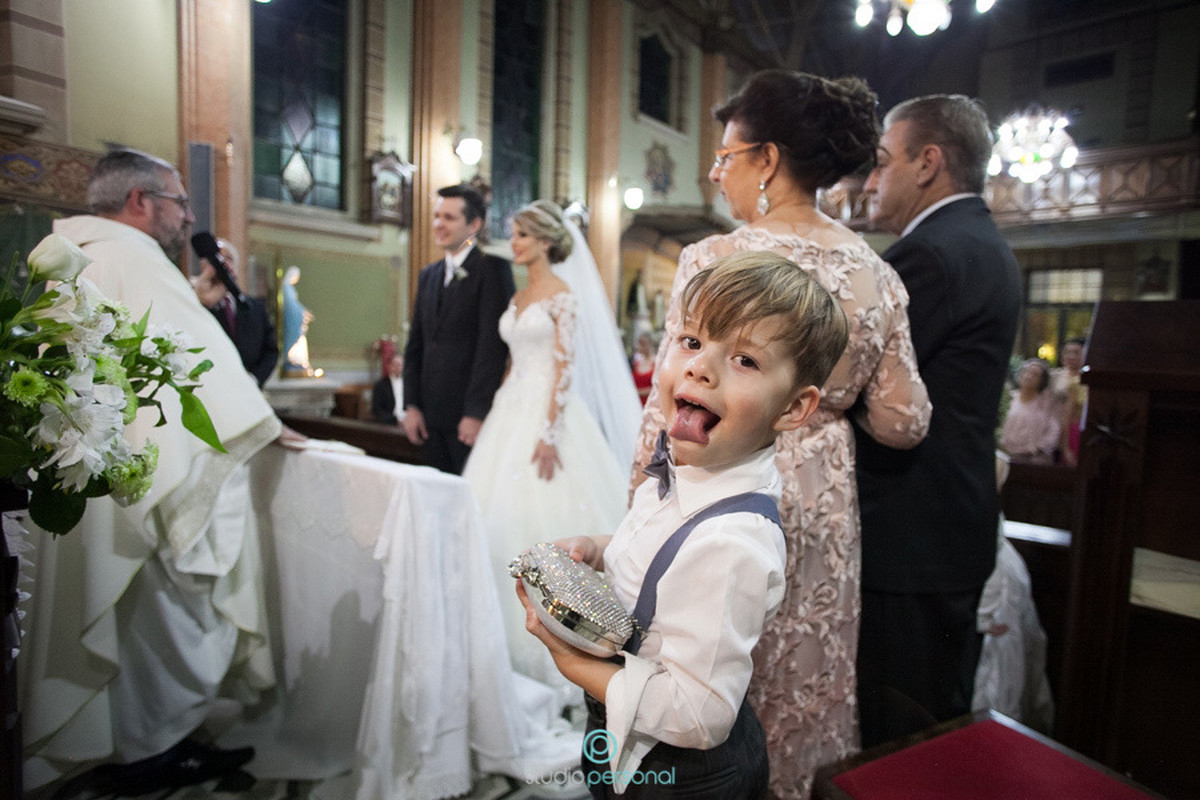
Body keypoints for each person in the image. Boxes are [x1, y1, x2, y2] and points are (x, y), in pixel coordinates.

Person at [630, 69, 931, 799]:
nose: (717, 173)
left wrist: (638, 503)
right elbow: (905, 421)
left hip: (717, 477)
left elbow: (667, 406)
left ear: (766, 159)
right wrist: (831, 402)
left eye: (726, 156)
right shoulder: (876, 273)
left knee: (706, 668)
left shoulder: (713, 260)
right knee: (800, 674)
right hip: (820, 495)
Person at [519, 251, 850, 799]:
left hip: (684, 776)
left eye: (745, 359)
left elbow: (700, 714)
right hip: (624, 741)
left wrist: (570, 660)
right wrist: (598, 549)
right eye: (692, 341)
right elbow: (655, 554)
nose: (699, 366)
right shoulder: (682, 471)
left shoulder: (733, 543)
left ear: (793, 408)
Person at [26, 148, 298, 794]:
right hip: (137, 483)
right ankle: (151, 753)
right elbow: (204, 371)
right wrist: (262, 420)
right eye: (181, 202)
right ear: (140, 203)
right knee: (162, 616)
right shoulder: (134, 260)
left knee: (123, 616)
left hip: (89, 478)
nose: (190, 217)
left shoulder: (75, 254)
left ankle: (130, 747)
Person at [853, 94, 1022, 747]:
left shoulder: (928, 256)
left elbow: (863, 386)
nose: (871, 180)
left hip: (909, 536)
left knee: (898, 731)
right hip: (949, 528)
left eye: (881, 162)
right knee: (933, 717)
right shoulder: (982, 243)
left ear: (928, 163)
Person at [463, 200, 628, 690]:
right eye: (513, 235)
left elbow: (564, 367)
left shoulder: (563, 296)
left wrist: (550, 433)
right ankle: (487, 632)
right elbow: (515, 359)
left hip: (548, 416)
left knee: (539, 512)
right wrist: (500, 400)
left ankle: (554, 637)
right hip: (510, 407)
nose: (512, 243)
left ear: (545, 242)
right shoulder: (518, 297)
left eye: (521, 236)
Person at [402, 184, 515, 474]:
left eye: (449, 217)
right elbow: (416, 345)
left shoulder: (492, 270)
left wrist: (475, 412)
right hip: (428, 415)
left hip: (467, 417)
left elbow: (491, 348)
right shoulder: (429, 274)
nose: (439, 224)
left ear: (474, 225)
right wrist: (411, 405)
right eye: (437, 216)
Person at [201, 238, 279, 387]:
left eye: (228, 258)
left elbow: (270, 351)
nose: (222, 263)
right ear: (205, 266)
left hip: (247, 388)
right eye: (216, 258)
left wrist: (255, 378)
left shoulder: (255, 307)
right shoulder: (196, 304)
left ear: (236, 268)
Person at [998, 358, 1060, 464]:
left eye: (1035, 375)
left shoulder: (1046, 404)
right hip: (1004, 456)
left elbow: (1053, 431)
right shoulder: (1008, 398)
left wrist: (1035, 449)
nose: (1029, 376)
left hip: (1033, 460)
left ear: (1042, 381)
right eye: (1026, 371)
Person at [1050, 337, 1086, 466]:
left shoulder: (1087, 379)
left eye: (1076, 352)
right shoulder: (1053, 376)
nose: (1070, 356)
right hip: (1052, 428)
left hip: (1073, 430)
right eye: (1067, 352)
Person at [281, 265, 314, 374]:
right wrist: (302, 313)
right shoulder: (286, 288)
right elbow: (290, 306)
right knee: (295, 342)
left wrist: (303, 311)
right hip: (292, 321)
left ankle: (298, 363)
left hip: (296, 320)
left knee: (300, 342)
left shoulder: (290, 288)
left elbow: (295, 305)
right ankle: (291, 362)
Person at [371, 352, 406, 425]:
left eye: (401, 364)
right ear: (390, 366)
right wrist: (396, 421)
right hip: (391, 423)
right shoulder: (380, 385)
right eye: (395, 364)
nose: (398, 367)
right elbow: (377, 410)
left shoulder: (410, 383)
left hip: (410, 421)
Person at [631, 331, 656, 406]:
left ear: (650, 344)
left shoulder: (656, 362)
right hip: (635, 403)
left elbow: (658, 389)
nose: (640, 347)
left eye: (643, 344)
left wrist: (638, 392)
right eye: (639, 344)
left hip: (649, 405)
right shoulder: (636, 363)